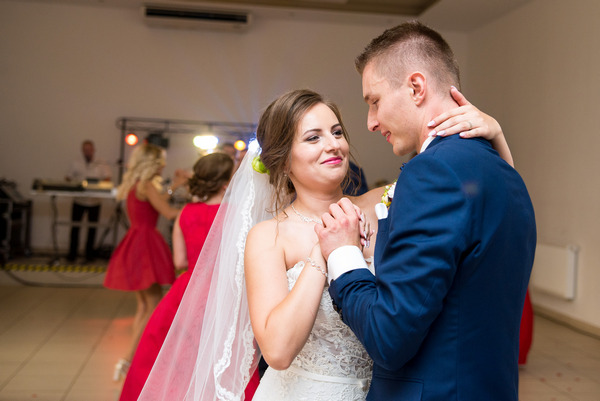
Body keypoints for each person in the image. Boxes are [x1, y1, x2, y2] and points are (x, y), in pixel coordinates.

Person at [139, 88, 510, 400]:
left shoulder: (386, 201)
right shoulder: (269, 237)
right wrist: (326, 249)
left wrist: (496, 138)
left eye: (336, 132)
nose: (333, 145)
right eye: (313, 137)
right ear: (283, 160)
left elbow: (491, 206)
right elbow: (277, 351)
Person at [316, 21, 537, 400]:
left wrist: (342, 254)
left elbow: (388, 338)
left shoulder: (431, 172)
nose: (370, 122)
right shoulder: (504, 171)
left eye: (374, 101)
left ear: (416, 87)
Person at [118, 152, 260, 400]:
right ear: (227, 183)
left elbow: (180, 262)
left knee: (178, 354)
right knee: (224, 354)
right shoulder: (238, 213)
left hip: (189, 290)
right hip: (224, 291)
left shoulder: (185, 212)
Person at [103, 142, 186, 382]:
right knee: (152, 305)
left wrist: (175, 186)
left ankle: (131, 357)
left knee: (143, 306)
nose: (164, 164)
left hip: (136, 241)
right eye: (161, 160)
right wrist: (201, 209)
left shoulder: (137, 184)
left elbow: (157, 201)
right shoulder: (147, 184)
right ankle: (129, 360)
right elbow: (168, 212)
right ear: (152, 162)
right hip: (146, 243)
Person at [65, 140, 112, 262]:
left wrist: (97, 186)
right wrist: (76, 186)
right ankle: (72, 254)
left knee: (92, 229)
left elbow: (108, 178)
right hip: (79, 200)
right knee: (75, 228)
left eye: (89, 150)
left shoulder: (101, 163)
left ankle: (89, 255)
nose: (88, 152)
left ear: (93, 150)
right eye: (85, 150)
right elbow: (68, 178)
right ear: (82, 151)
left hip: (94, 201)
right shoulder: (76, 163)